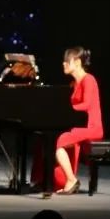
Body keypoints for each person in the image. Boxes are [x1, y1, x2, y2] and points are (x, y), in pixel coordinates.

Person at [33, 46, 104, 194]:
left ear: (77, 62)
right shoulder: (74, 83)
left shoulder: (88, 79)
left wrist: (67, 109)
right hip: (78, 125)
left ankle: (71, 179)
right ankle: (43, 180)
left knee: (57, 140)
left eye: (67, 61)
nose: (63, 64)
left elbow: (86, 105)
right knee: (44, 139)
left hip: (91, 127)